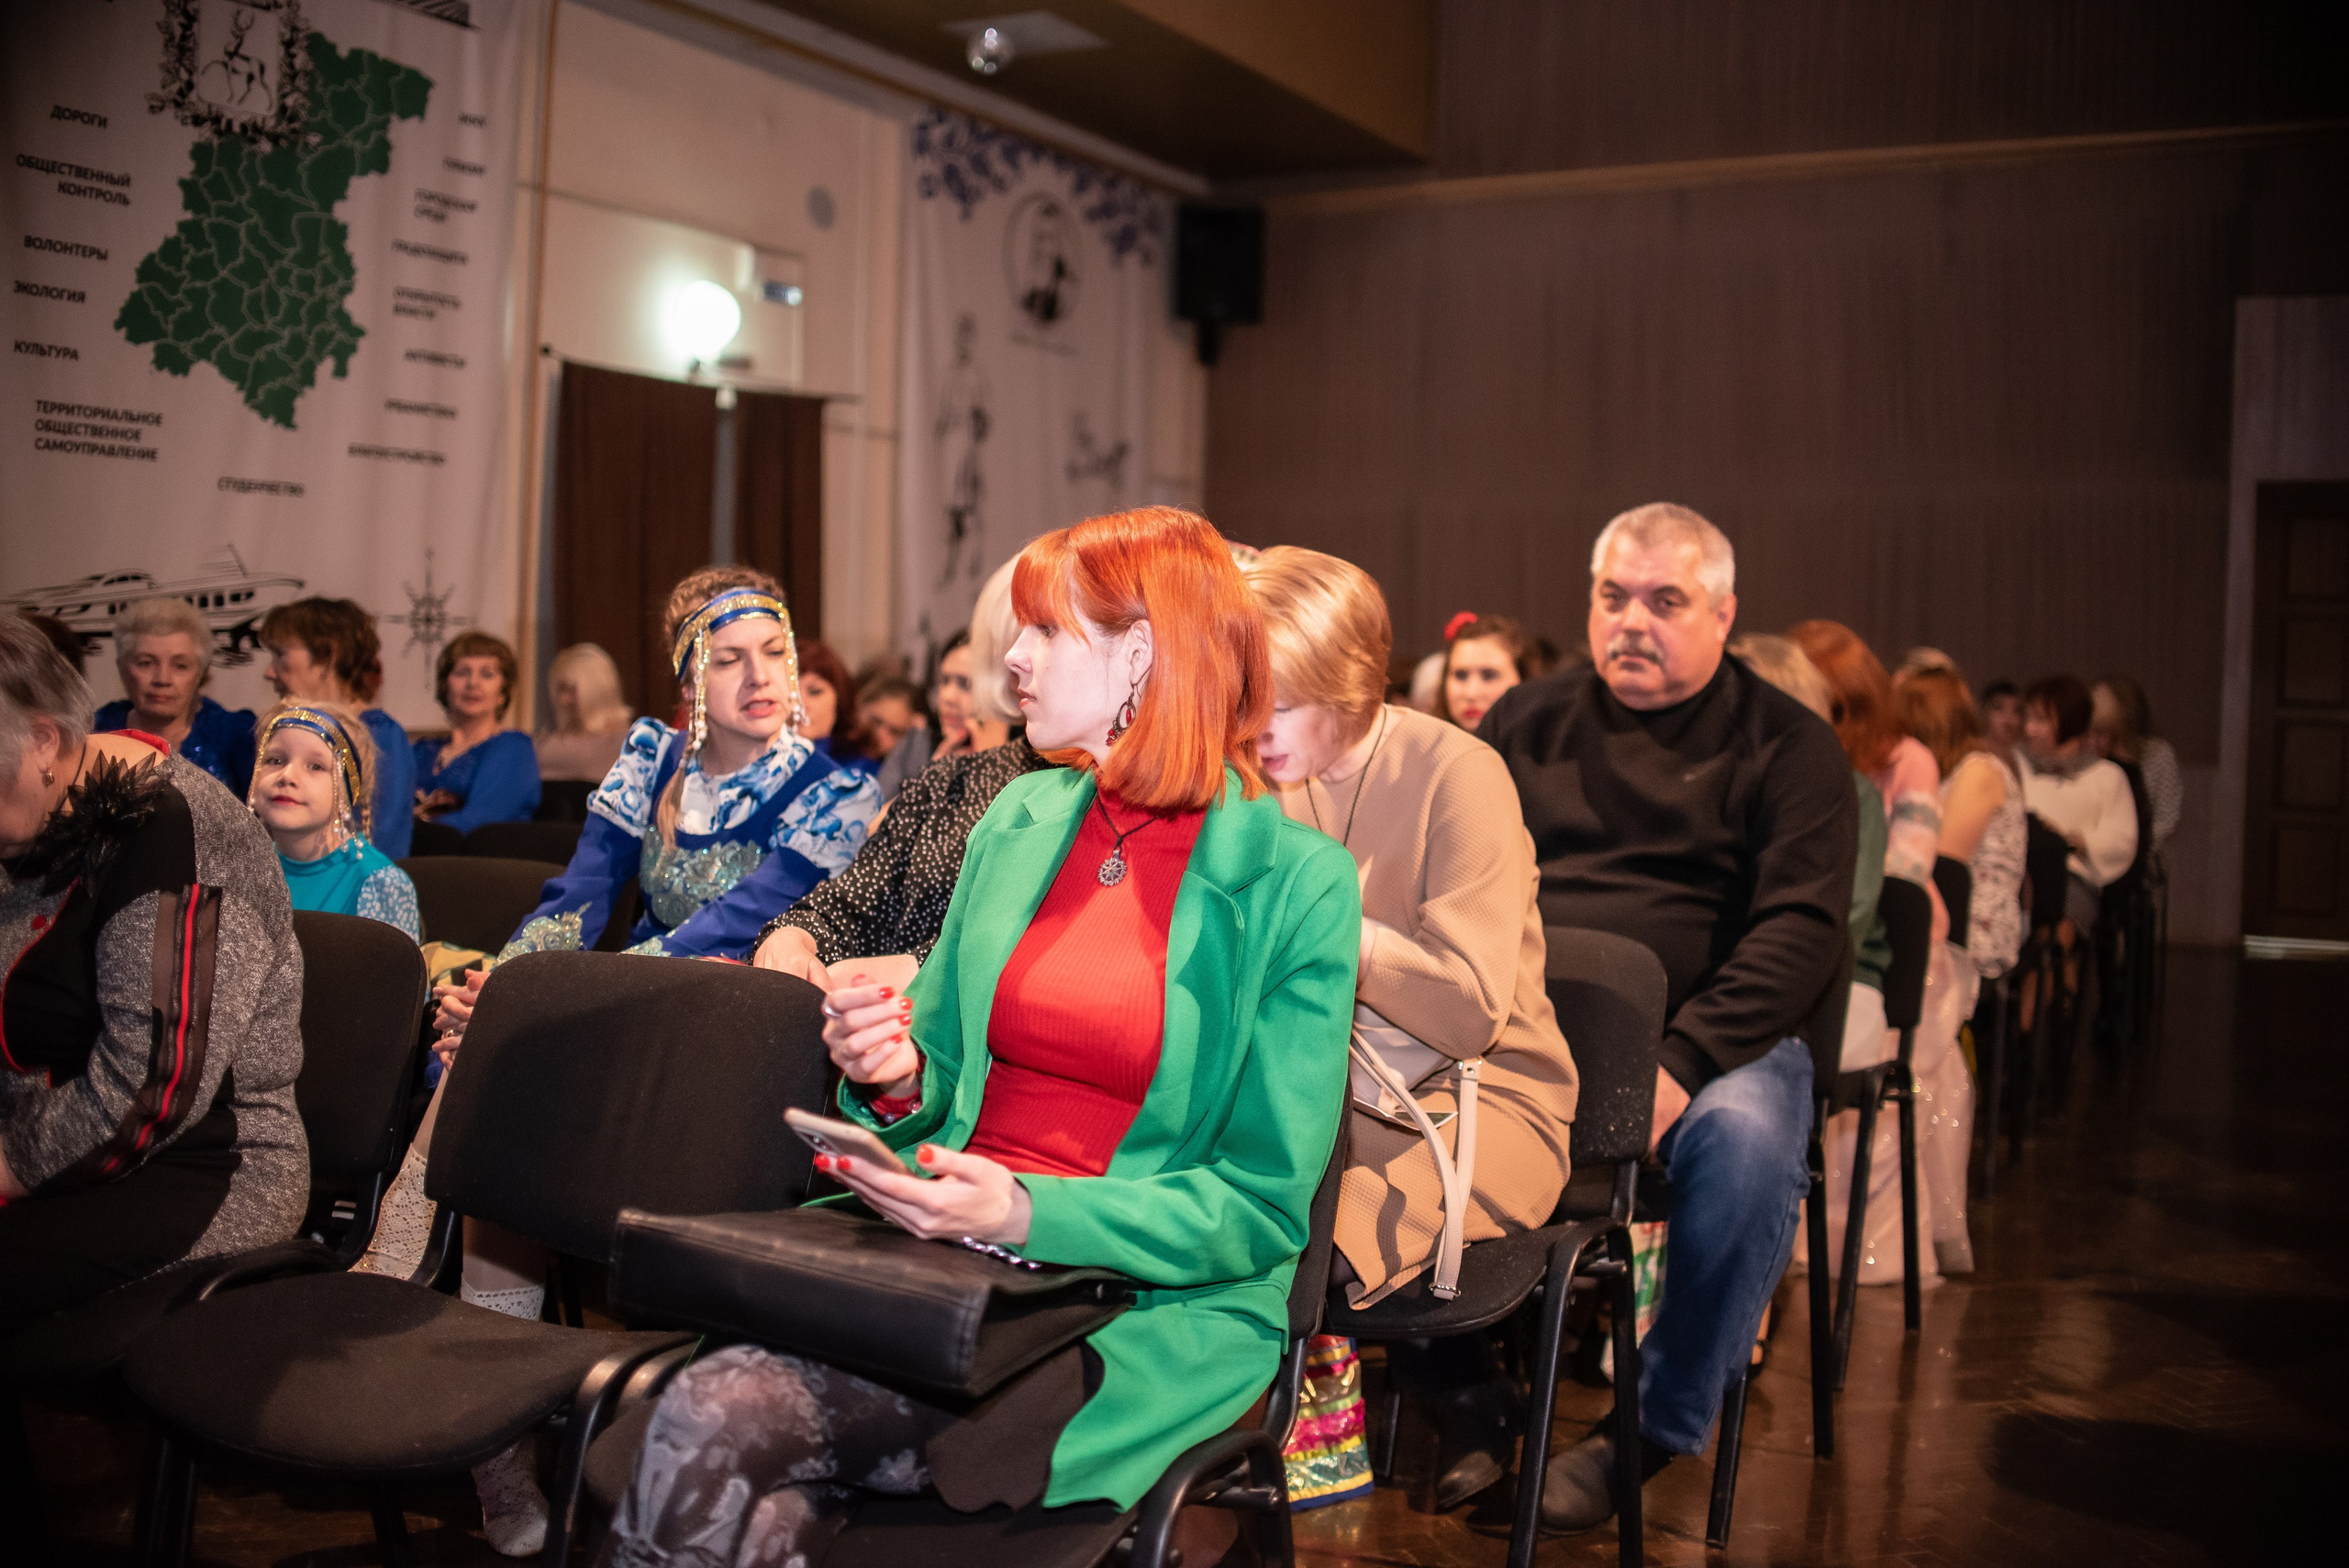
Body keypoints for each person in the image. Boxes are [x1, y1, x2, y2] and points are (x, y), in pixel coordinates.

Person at [597, 506, 1361, 1568]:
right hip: (944, 1254)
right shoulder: (1021, 818)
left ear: (1141, 653)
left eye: (1045, 632)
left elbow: (1260, 1201)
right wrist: (896, 1070)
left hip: (1127, 1301)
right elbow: (941, 1081)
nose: (1011, 655)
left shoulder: (1294, 882)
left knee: (712, 1422)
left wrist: (1024, 1205)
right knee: (744, 1488)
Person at [378, 567, 881, 1556]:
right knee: (501, 1050)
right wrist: (513, 978)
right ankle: (494, 1440)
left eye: (773, 652)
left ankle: (390, 1282)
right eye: (727, 659)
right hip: (625, 1012)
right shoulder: (648, 760)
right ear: (689, 678)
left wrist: (558, 1002)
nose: (759, 677)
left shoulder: (837, 793)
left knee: (514, 1058)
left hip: (742, 1041)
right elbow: (577, 893)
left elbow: (729, 930)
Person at [1475, 504, 1856, 1532]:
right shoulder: (1523, 724)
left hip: (1715, 1037)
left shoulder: (1790, 746)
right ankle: (1461, 1385)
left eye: (1665, 600)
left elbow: (1799, 934)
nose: (1632, 620)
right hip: (1534, 1024)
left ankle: (1650, 1427)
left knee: (1746, 1148)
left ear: (1723, 615)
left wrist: (1678, 1063)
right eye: (1612, 596)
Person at [1247, 547, 1578, 1511]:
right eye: (1245, 698)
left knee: (1288, 1250)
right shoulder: (1267, 772)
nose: (1254, 728)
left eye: (1280, 700)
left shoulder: (1458, 772)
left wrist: (1335, 931)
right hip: (1330, 1095)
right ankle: (1458, 1393)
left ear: (1347, 682)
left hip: (1486, 1103)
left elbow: (1471, 1010)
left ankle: (1222, 1478)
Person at [0, 612, 306, 1333]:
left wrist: (9, 1163)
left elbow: (150, 1090)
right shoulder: (32, 816)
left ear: (43, 742)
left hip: (201, 1163)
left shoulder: (174, 830)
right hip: (60, 1144)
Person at [755, 557, 1047, 989]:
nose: (1019, 656)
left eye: (1048, 633)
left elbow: (1029, 941)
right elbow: (850, 902)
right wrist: (795, 936)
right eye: (1017, 636)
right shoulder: (948, 779)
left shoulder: (1105, 795)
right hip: (862, 1018)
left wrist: (913, 968)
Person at [250, 698, 421, 940]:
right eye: (275, 760)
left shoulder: (378, 884)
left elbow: (395, 978)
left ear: (350, 788)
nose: (287, 776)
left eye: (316, 766)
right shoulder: (243, 871)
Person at [262, 598, 414, 859]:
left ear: (327, 657)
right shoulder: (285, 731)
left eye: (280, 655)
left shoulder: (381, 737)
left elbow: (384, 846)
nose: (269, 673)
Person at [1899, 669, 2025, 981]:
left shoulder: (1978, 770)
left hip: (1974, 930)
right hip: (1940, 918)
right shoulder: (1946, 772)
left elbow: (1943, 863)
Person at [94, 596, 256, 796]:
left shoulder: (237, 736)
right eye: (146, 663)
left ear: (200, 673)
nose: (162, 679)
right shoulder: (95, 732)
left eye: (180, 666)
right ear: (122, 669)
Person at [2019, 674, 2137, 935]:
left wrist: (2075, 840)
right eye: (2028, 719)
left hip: (2072, 877)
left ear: (2069, 721)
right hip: (2018, 869)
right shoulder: (2016, 767)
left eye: (2040, 720)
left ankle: (2060, 973)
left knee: (2057, 926)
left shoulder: (2106, 775)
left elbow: (2122, 838)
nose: (2029, 729)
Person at [413, 631, 540, 833]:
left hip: (474, 861)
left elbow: (479, 822)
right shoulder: (421, 751)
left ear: (503, 692)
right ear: (445, 685)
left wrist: (407, 827)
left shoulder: (513, 749)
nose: (473, 683)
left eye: (487, 674)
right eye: (462, 672)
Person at [2092, 674, 2182, 858]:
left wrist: (2135, 852)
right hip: (2095, 856)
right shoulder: (2093, 754)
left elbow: (2167, 817)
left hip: (2142, 862)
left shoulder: (2158, 754)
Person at [535, 642, 633, 784]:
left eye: (571, 690)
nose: (563, 700)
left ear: (596, 689)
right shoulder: (548, 740)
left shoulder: (623, 743)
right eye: (560, 690)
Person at [794, 639, 874, 775]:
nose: (800, 704)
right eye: (792, 693)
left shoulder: (862, 770)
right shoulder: (761, 766)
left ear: (839, 698)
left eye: (815, 692)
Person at [1442, 613, 1530, 731]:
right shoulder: (1422, 744)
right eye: (1460, 675)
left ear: (1523, 678)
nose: (1471, 694)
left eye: (1489, 675)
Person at [930, 628, 980, 760]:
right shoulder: (918, 742)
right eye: (944, 681)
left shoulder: (1023, 760)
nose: (947, 697)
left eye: (966, 685)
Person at [1980, 678, 2025, 776]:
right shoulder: (1976, 757)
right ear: (1984, 712)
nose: (2008, 719)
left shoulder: (2024, 759)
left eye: (2016, 710)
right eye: (1998, 708)